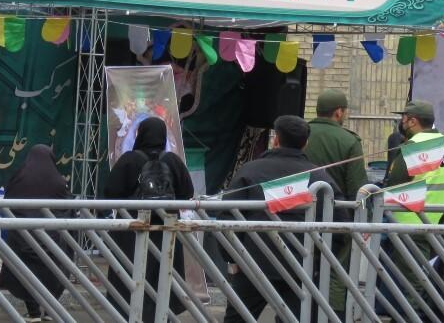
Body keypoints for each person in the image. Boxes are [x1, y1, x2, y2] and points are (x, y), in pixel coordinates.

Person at [223, 115, 345, 322]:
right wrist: (317, 259)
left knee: (237, 319)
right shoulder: (319, 177)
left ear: (276, 139)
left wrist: (233, 257)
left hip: (253, 261)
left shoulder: (250, 171)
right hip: (301, 267)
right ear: (306, 143)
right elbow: (341, 225)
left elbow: (227, 216)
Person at [103, 116, 194, 323]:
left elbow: (110, 191)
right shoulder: (172, 161)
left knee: (130, 275)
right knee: (163, 276)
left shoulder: (129, 160)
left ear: (140, 134)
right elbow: (187, 191)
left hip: (132, 231)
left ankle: (132, 317)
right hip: (165, 231)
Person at [380, 101, 444, 316]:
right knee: (434, 279)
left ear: (412, 121)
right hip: (443, 224)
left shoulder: (412, 147)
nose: (401, 122)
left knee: (412, 283)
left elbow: (394, 184)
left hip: (412, 224)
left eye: (404, 118)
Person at [303, 90, 367, 317]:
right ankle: (332, 316)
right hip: (337, 219)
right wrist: (363, 221)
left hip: (300, 215)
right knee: (336, 272)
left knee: (302, 267)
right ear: (339, 112)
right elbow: (359, 188)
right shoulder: (349, 141)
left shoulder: (302, 134)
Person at [0, 145, 72, 322]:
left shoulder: (19, 178)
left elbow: (8, 201)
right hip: (52, 239)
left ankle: (33, 313)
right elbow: (67, 208)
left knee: (26, 274)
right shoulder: (58, 181)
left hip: (24, 237)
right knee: (54, 272)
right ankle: (51, 311)